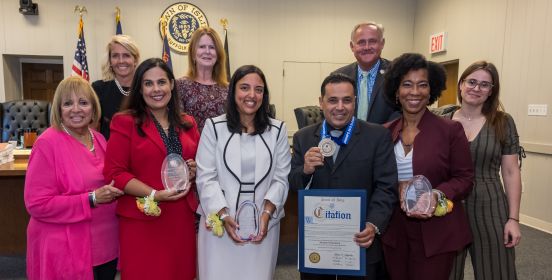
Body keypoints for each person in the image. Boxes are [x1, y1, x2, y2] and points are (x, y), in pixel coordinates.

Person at [289, 73, 398, 280]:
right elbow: (294, 185)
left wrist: (373, 224)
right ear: (321, 102)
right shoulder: (303, 137)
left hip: (360, 243)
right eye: (332, 100)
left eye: (347, 100)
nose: (340, 107)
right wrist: (304, 170)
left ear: (354, 102)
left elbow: (387, 186)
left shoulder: (377, 136)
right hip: (318, 246)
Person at [380, 53, 474, 280]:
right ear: (396, 90)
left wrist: (437, 194)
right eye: (407, 85)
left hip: (436, 229)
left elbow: (465, 178)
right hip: (394, 228)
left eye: (422, 85)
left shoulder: (450, 130)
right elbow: (377, 178)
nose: (414, 92)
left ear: (431, 91)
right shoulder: (384, 131)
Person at [103, 58, 200, 279]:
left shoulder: (188, 123)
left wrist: (193, 170)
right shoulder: (124, 121)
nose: (156, 89)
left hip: (180, 219)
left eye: (161, 82)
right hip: (142, 219)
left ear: (172, 85)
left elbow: (196, 162)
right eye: (148, 83)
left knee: (180, 274)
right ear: (139, 88)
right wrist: (155, 194)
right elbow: (114, 173)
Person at [195, 65, 291, 280]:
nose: (252, 95)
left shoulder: (277, 130)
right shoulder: (214, 127)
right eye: (244, 87)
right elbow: (205, 177)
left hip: (262, 227)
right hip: (219, 223)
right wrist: (224, 214)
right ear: (233, 92)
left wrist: (265, 215)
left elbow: (281, 178)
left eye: (259, 89)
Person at [24, 76, 123, 280]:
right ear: (59, 110)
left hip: (106, 245)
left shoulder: (99, 138)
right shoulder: (47, 144)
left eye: (83, 103)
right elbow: (36, 203)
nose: (76, 109)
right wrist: (90, 199)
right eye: (68, 103)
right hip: (67, 249)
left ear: (93, 109)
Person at [446, 61, 522, 280]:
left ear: (491, 91)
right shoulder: (442, 120)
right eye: (471, 82)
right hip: (448, 207)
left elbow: (511, 172)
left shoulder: (502, 122)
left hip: (490, 206)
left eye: (484, 85)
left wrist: (513, 219)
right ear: (461, 85)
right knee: (445, 271)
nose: (476, 88)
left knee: (497, 272)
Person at [332, 22, 399, 124]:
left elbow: (401, 112)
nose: (367, 47)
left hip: (386, 137)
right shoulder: (338, 76)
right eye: (361, 42)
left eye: (372, 41)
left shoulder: (397, 73)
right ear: (352, 46)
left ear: (382, 43)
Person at [176, 27, 228, 132]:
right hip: (192, 146)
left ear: (218, 54)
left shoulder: (229, 88)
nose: (207, 51)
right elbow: (177, 124)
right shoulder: (180, 85)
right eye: (202, 47)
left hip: (220, 147)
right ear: (193, 53)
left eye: (212, 47)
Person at [92, 35, 140, 140]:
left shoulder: (145, 89)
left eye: (126, 55)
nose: (121, 61)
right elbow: (92, 128)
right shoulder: (98, 89)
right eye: (115, 56)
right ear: (110, 61)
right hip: (109, 152)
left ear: (135, 60)